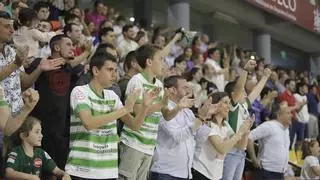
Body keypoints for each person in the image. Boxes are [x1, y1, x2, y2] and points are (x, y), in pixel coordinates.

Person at [65, 52, 158, 180]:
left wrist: (145, 107)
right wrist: (125, 109)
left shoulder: (112, 96)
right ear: (96, 70)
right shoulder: (80, 91)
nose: (114, 74)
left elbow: (135, 125)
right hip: (82, 170)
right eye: (109, 70)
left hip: (108, 171)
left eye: (115, 70)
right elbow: (89, 123)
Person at [119, 32, 182, 180]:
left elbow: (166, 115)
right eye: (161, 59)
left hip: (149, 145)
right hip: (133, 143)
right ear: (149, 62)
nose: (164, 64)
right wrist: (161, 103)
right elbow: (137, 111)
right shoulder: (137, 81)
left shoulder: (159, 84)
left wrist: (178, 106)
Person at [150, 75, 212, 180]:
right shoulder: (164, 109)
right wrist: (200, 118)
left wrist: (205, 117)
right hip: (165, 173)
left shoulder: (188, 112)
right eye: (185, 87)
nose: (189, 90)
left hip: (185, 173)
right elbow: (178, 136)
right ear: (173, 90)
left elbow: (200, 138)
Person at [222, 61, 271, 180]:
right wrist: (245, 71)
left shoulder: (243, 105)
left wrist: (265, 77)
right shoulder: (232, 107)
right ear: (233, 95)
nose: (245, 92)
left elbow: (255, 92)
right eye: (242, 91)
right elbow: (238, 88)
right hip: (231, 151)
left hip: (241, 152)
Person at [192, 92, 253, 180]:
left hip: (216, 175)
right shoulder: (208, 124)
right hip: (201, 172)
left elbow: (240, 146)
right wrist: (240, 132)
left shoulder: (225, 125)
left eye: (229, 103)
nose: (229, 106)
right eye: (225, 102)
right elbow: (221, 149)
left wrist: (246, 132)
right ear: (215, 104)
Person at [5, 117, 71, 180]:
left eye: (41, 132)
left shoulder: (41, 153)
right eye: (37, 132)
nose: (41, 135)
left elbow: (57, 171)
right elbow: (8, 173)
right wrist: (30, 177)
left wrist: (65, 174)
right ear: (23, 135)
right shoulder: (15, 153)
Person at [247, 102, 292, 180]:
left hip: (280, 174)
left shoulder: (286, 130)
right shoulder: (269, 126)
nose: (291, 115)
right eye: (288, 113)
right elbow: (249, 137)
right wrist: (254, 159)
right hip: (266, 173)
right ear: (279, 115)